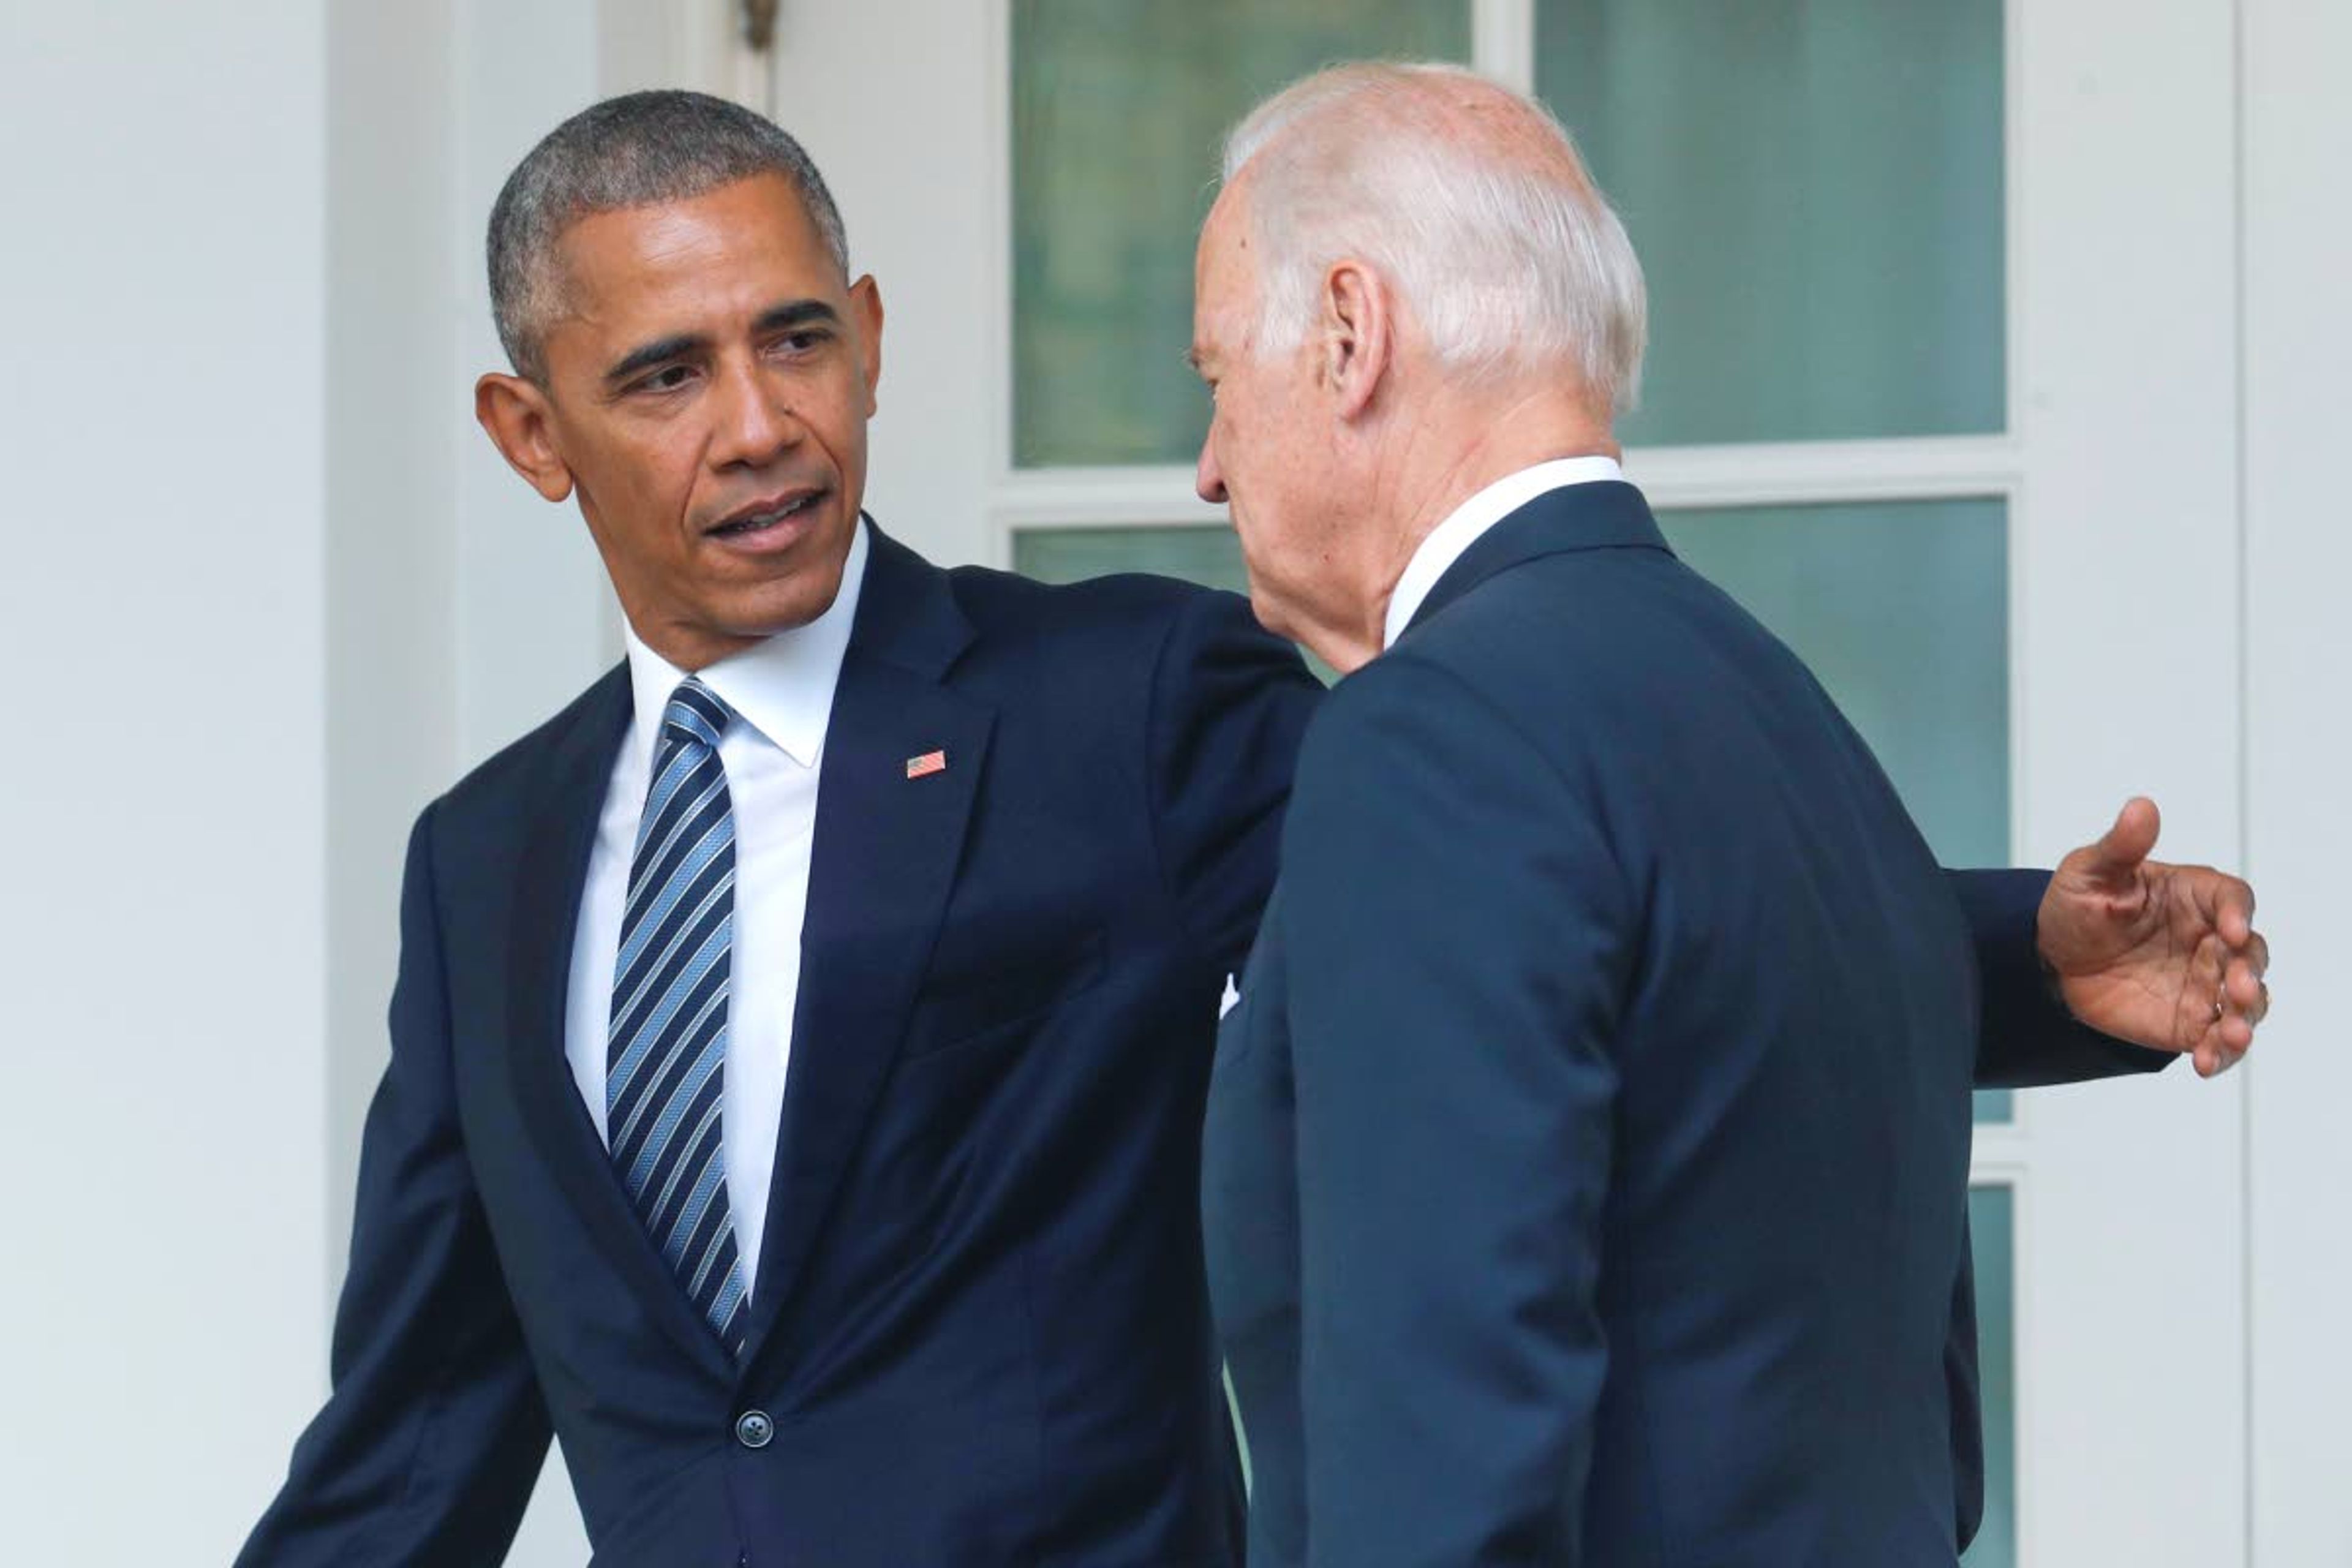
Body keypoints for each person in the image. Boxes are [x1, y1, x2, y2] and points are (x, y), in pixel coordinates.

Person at [241, 88, 2261, 1567]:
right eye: (666, 374)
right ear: (533, 434)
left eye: (797, 341)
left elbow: (1529, 900)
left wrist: (2022, 963)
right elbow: (416, 1434)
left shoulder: (1123, 700)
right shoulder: (484, 863)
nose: (761, 423)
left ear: (867, 334)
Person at [1192, 62, 2271, 1568]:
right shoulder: (1777, 706)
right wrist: (2031, 958)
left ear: (1351, 337)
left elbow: (1444, 1459)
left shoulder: (1430, 733)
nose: (1209, 463)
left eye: (1217, 376)